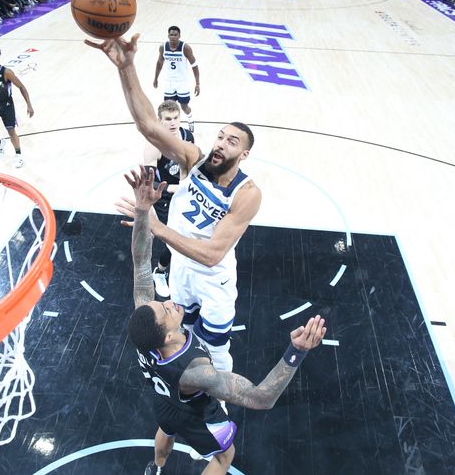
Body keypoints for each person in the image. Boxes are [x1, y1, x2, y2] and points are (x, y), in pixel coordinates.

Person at [124, 165, 325, 475]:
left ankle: (157, 467)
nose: (168, 303)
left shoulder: (145, 327)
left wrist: (142, 210)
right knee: (223, 458)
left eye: (160, 304)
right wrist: (297, 351)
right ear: (166, 337)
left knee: (166, 428)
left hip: (164, 402)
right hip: (195, 415)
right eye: (166, 311)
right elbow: (262, 398)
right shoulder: (196, 373)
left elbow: (140, 265)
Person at [89, 34, 262, 374]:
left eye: (232, 141)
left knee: (215, 346)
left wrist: (157, 227)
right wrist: (126, 69)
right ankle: (185, 384)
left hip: (215, 280)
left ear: (243, 154)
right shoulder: (193, 159)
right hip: (182, 269)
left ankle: (220, 395)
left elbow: (213, 254)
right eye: (220, 136)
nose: (221, 144)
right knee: (181, 336)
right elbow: (147, 125)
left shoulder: (247, 193)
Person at [145, 100, 196, 298]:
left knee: (187, 236)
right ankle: (159, 271)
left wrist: (188, 184)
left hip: (183, 193)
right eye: (168, 119)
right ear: (160, 120)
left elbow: (189, 166)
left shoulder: (187, 136)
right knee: (175, 240)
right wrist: (178, 187)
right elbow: (149, 185)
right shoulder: (154, 146)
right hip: (163, 198)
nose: (173, 123)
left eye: (176, 118)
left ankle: (172, 269)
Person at [153, 26, 201, 131]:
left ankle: (190, 119)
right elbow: (160, 62)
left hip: (182, 82)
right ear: (168, 35)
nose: (173, 37)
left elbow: (194, 65)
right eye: (171, 35)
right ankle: (169, 127)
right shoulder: (163, 47)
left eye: (175, 35)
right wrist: (156, 77)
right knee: (169, 107)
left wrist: (197, 84)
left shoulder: (185, 48)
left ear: (179, 36)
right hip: (169, 82)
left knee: (184, 106)